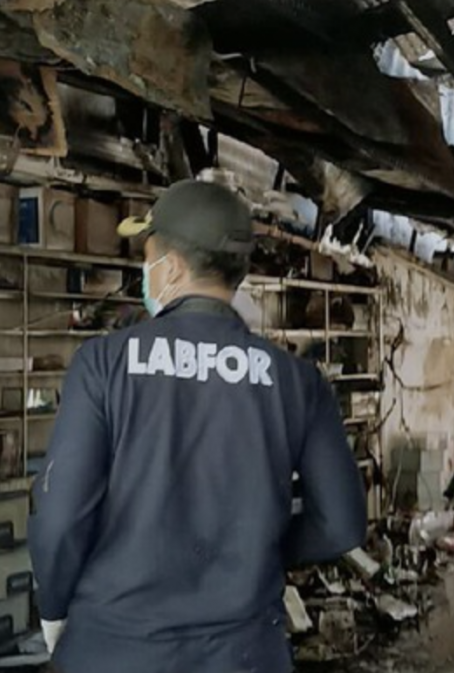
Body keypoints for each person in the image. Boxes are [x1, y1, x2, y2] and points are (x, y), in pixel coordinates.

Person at [29, 179, 368, 673]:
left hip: (114, 650)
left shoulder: (103, 363)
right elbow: (342, 525)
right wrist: (259, 547)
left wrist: (54, 609)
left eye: (148, 257)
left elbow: (59, 516)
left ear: (172, 268)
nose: (145, 271)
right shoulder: (299, 381)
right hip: (246, 655)